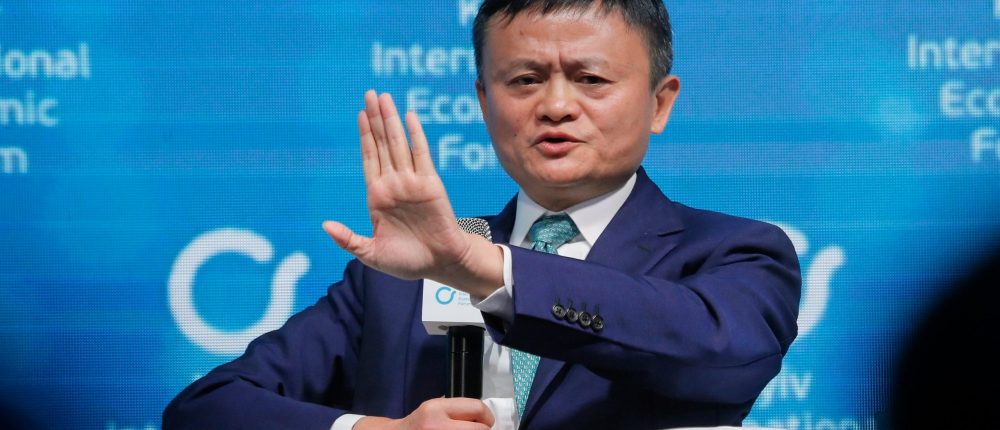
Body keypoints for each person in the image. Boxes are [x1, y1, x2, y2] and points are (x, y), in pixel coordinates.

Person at [163, 1, 801, 429]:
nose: (555, 105)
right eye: (524, 80)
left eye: (590, 79)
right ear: (483, 100)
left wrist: (482, 267)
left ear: (660, 103)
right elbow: (204, 410)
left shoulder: (733, 253)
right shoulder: (399, 276)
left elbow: (720, 356)